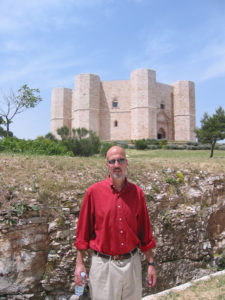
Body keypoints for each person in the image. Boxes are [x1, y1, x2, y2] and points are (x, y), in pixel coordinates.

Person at [74, 146, 156, 300]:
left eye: (121, 160)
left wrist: (151, 263)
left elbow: (145, 232)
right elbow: (82, 232)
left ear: (126, 163)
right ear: (107, 165)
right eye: (112, 161)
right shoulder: (93, 192)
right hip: (104, 267)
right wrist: (79, 264)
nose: (117, 164)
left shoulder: (137, 193)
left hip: (132, 265)